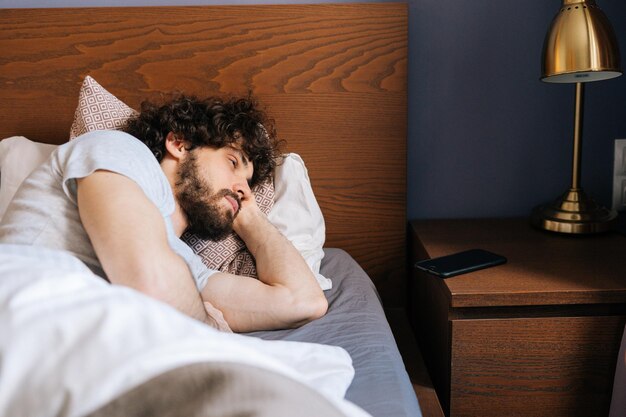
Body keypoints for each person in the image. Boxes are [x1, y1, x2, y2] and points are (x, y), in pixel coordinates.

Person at [0, 95, 328, 333]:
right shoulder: (120, 150)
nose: (242, 188)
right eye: (232, 163)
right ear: (179, 144)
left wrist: (251, 217)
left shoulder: (185, 266)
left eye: (248, 182)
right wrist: (206, 324)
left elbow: (304, 302)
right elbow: (150, 283)